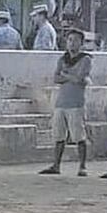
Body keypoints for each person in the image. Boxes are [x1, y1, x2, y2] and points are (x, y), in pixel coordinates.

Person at [40, 28, 91, 177]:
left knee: (79, 136)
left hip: (76, 103)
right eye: (69, 40)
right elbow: (56, 78)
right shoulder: (62, 59)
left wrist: (65, 75)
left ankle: (82, 166)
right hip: (61, 102)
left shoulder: (85, 59)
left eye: (75, 40)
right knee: (58, 135)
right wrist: (71, 77)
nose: (72, 43)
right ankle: (56, 165)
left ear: (81, 43)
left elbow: (79, 78)